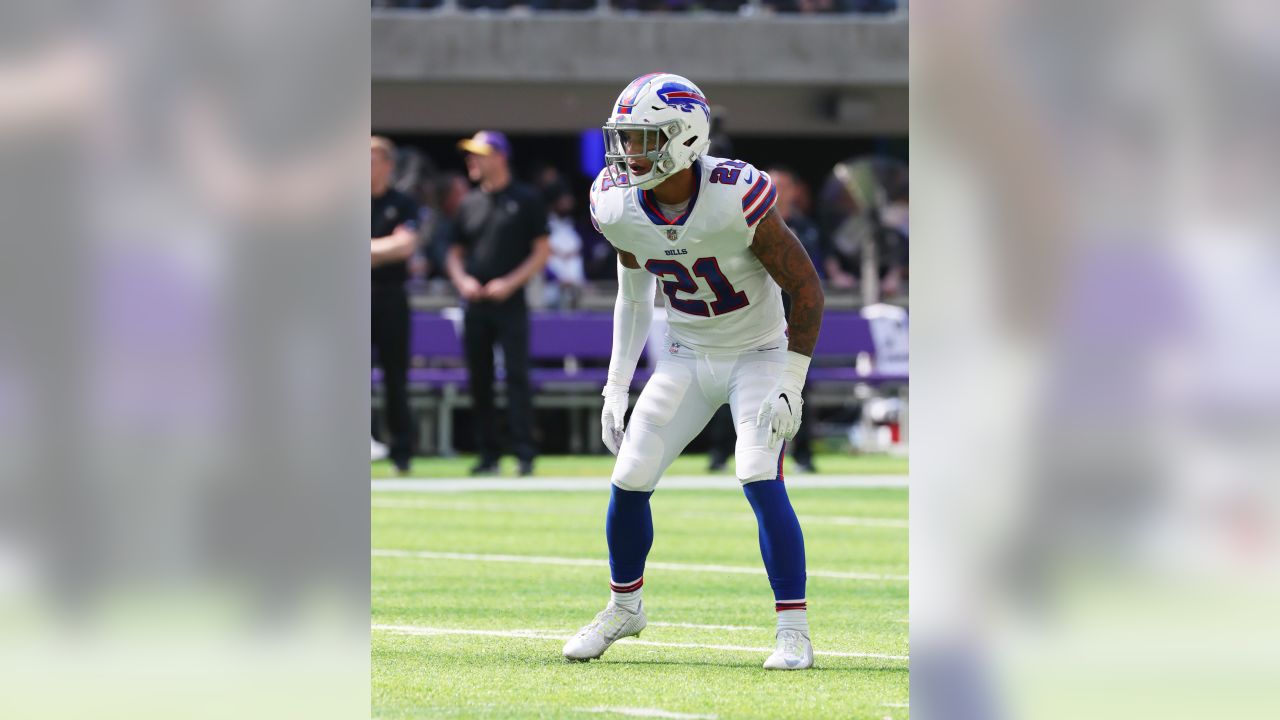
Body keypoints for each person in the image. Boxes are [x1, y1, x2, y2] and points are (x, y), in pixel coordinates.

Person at [562, 74, 824, 670]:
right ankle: (625, 607)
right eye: (625, 138)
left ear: (685, 139)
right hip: (684, 354)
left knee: (758, 474)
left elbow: (805, 288)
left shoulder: (736, 194)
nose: (631, 153)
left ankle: (794, 630)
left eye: (644, 138)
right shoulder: (618, 203)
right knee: (629, 477)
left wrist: (790, 380)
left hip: (757, 352)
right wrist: (615, 386)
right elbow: (633, 298)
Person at [445, 131, 550, 476]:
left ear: (500, 157)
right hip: (475, 303)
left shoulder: (526, 199)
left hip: (511, 302)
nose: (472, 161)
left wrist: (509, 283)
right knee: (479, 378)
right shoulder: (469, 202)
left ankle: (524, 452)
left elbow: (541, 252)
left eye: (480, 154)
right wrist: (463, 281)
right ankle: (488, 454)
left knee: (516, 375)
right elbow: (454, 252)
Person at [370, 136, 420, 474]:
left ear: (388, 165)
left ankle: (401, 453)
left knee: (395, 376)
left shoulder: (402, 203)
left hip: (390, 296)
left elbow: (406, 246)